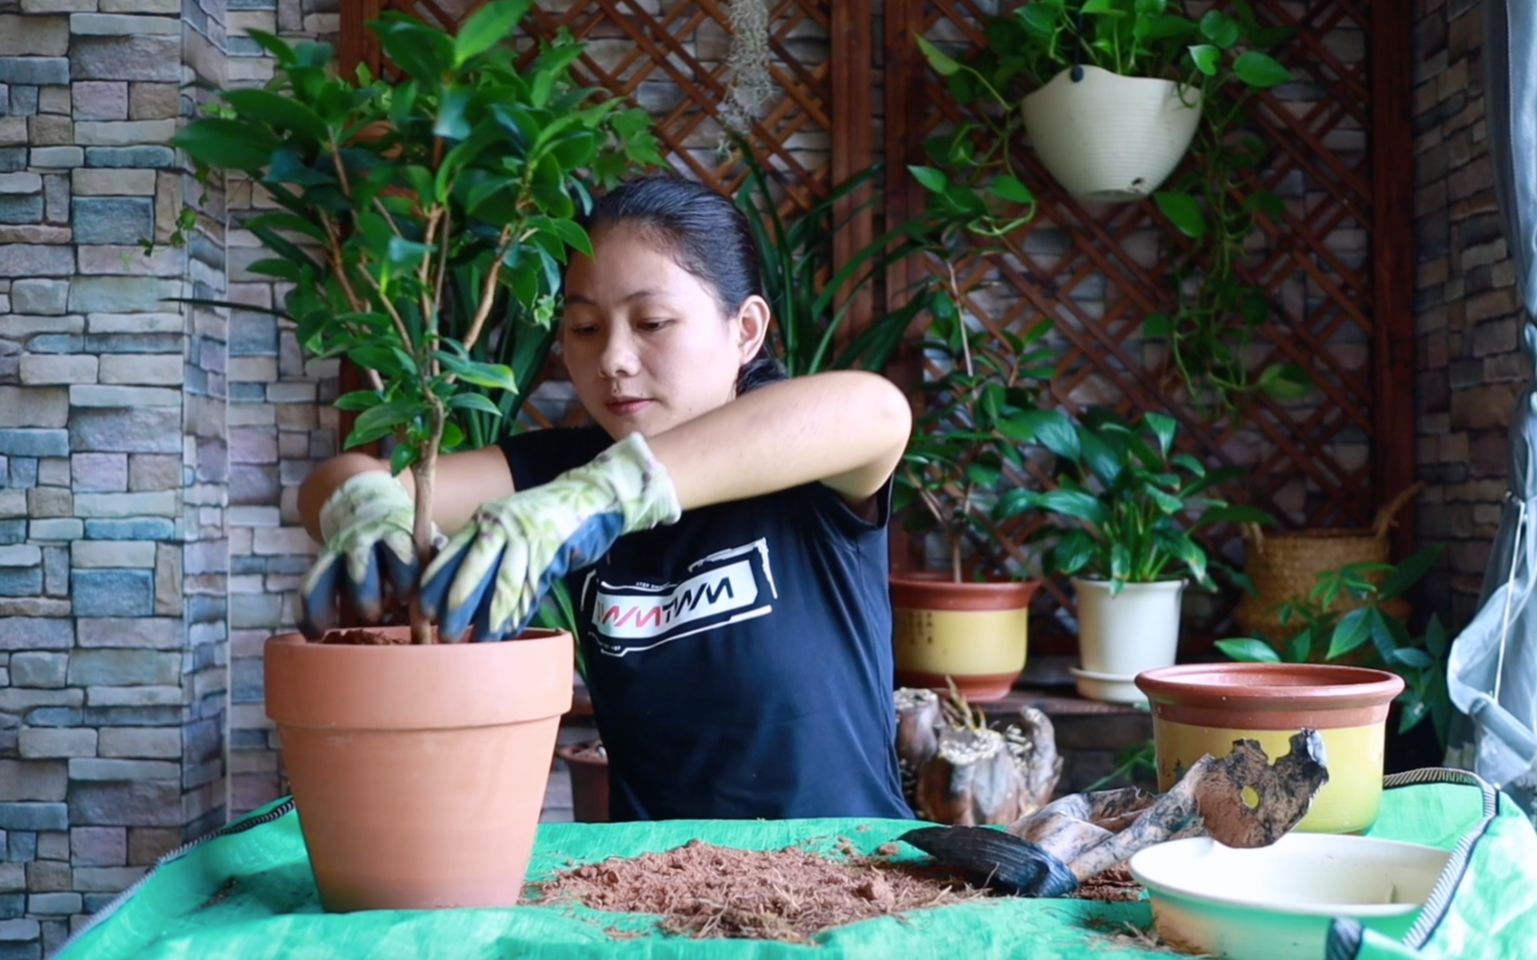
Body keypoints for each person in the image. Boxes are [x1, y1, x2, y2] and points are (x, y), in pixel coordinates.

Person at [296, 175, 914, 822]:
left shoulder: (798, 464)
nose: (614, 358)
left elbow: (873, 410)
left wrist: (599, 497)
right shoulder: (558, 471)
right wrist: (364, 509)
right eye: (585, 327)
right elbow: (339, 479)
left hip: (846, 879)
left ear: (746, 330)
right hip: (656, 893)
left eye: (652, 323)